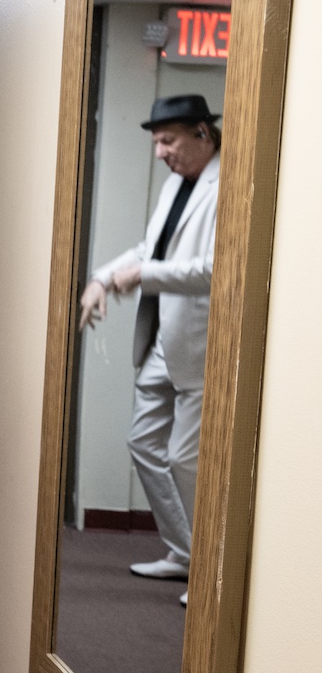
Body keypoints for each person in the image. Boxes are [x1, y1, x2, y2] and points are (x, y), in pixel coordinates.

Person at [79, 94, 220, 607]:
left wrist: (143, 275)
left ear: (202, 133)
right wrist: (102, 278)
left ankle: (211, 571)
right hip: (162, 337)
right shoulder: (175, 185)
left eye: (168, 141)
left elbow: (216, 268)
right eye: (157, 143)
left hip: (200, 343)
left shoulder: (226, 184)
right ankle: (185, 552)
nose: (160, 152)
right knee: (143, 442)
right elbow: (149, 250)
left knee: (184, 457)